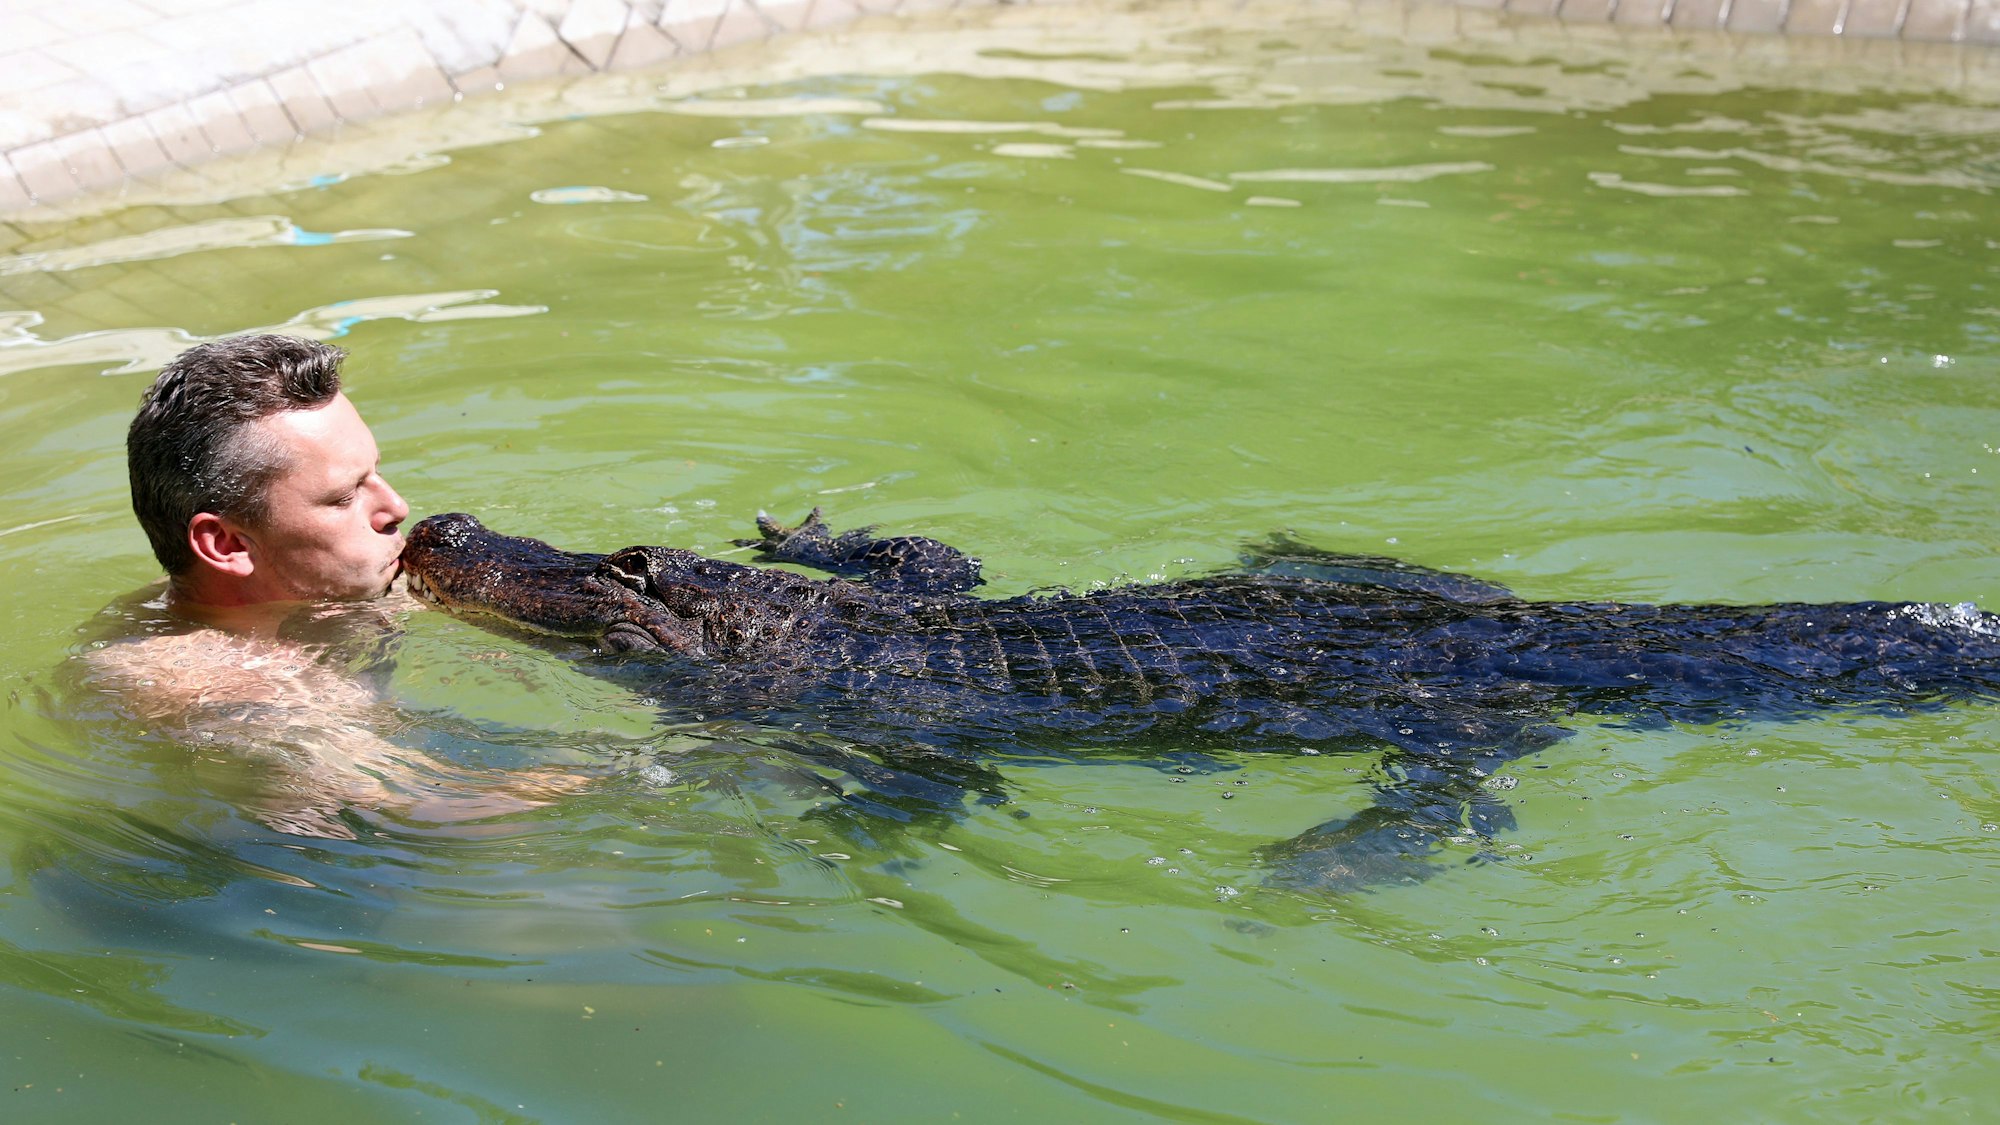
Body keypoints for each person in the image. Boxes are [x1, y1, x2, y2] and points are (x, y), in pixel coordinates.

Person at [83, 334, 582, 838]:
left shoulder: (322, 588)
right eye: (344, 497)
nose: (396, 508)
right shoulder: (210, 691)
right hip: (290, 876)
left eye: (376, 473)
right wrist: (631, 775)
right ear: (227, 545)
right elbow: (424, 814)